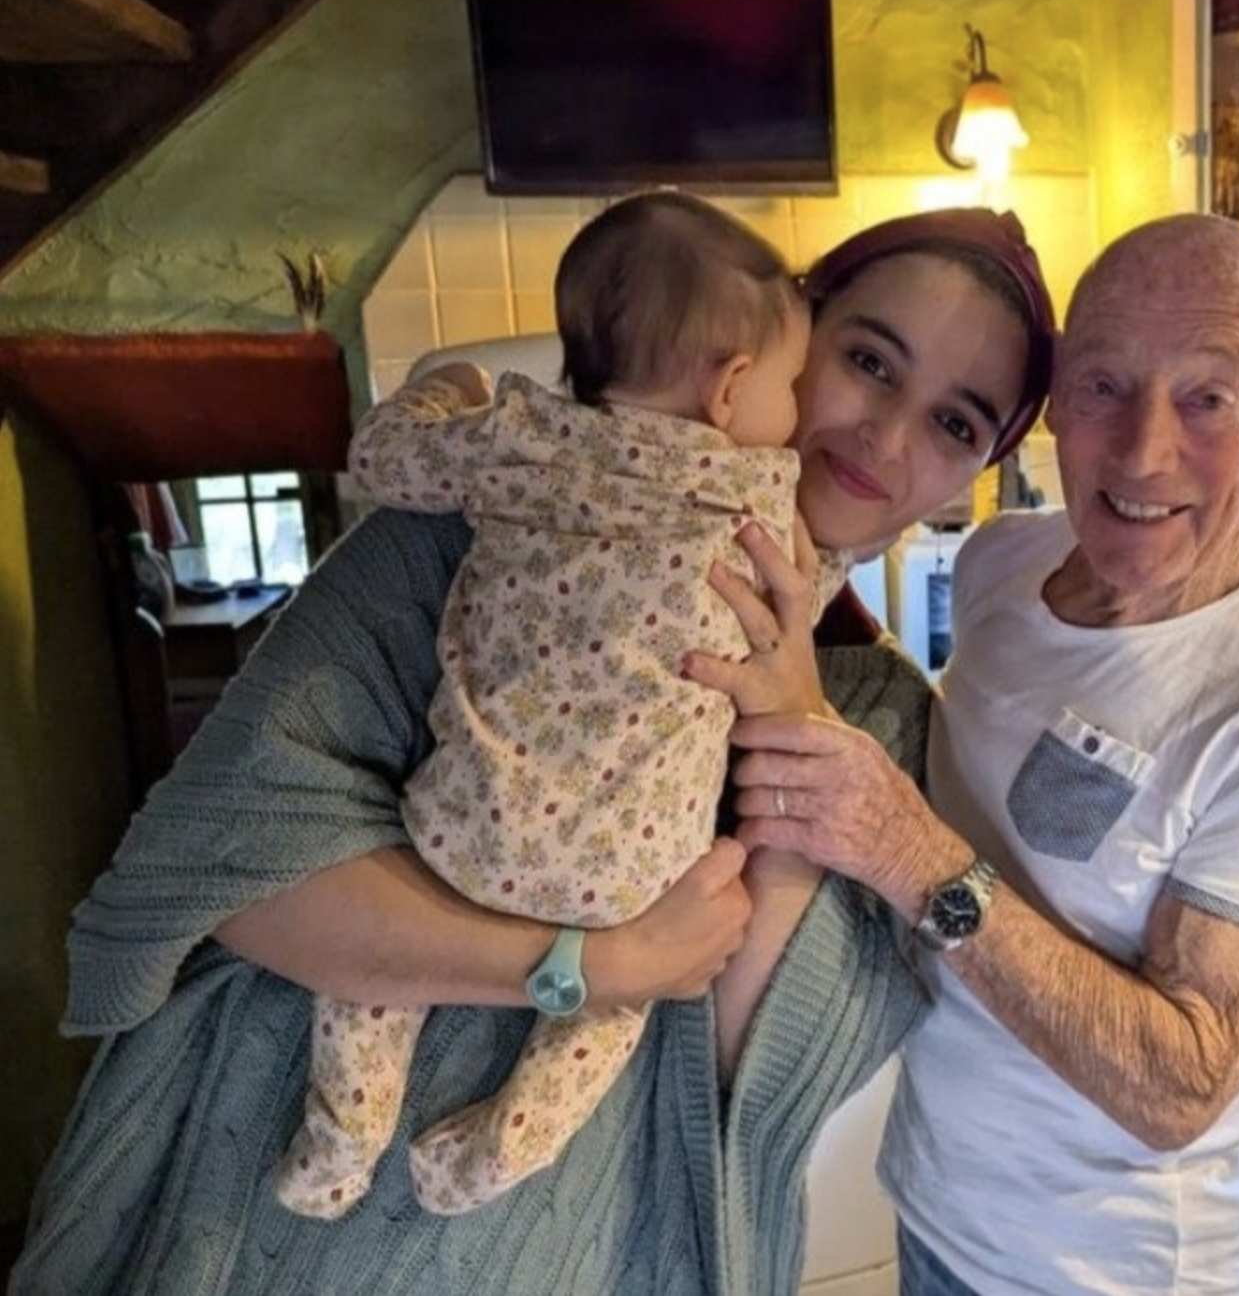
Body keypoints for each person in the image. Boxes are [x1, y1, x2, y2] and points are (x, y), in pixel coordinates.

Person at [9, 206, 1055, 1296]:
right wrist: (590, 967)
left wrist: (794, 733)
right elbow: (233, 867)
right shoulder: (491, 525)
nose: (887, 436)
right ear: (772, 347)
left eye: (955, 423)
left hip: (579, 1252)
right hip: (275, 1214)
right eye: (869, 361)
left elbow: (745, 1083)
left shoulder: (881, 723)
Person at [720, 214, 1239, 1296]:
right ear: (1056, 402)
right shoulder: (1001, 564)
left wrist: (906, 850)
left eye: (1208, 399)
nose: (1141, 452)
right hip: (938, 1221)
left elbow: (1180, 1086)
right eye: (1102, 386)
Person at [281, 191, 843, 1219]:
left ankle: (340, 1142)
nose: (797, 409)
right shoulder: (756, 497)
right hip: (634, 875)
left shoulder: (517, 439)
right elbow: (799, 598)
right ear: (729, 389)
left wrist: (447, 387)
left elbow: (379, 456)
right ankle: (501, 1147)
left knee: (375, 984)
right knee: (608, 1017)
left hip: (468, 830)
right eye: (792, 382)